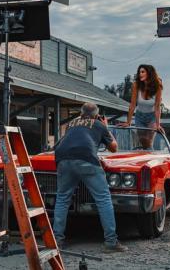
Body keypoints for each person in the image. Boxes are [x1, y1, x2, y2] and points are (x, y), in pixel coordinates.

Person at [53, 102, 128, 253]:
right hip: (86, 158)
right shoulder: (99, 124)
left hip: (62, 158)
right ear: (96, 114)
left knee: (62, 198)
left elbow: (63, 142)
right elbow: (114, 148)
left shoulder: (71, 123)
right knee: (103, 199)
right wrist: (105, 126)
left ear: (81, 113)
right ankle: (111, 242)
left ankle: (57, 241)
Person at [121, 64, 163, 149]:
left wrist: (158, 125)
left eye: (143, 72)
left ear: (149, 73)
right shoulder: (136, 85)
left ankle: (150, 157)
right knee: (143, 140)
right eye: (139, 72)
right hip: (139, 116)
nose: (140, 74)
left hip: (152, 117)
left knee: (149, 141)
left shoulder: (157, 86)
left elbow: (157, 107)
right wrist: (128, 122)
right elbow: (132, 105)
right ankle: (145, 154)